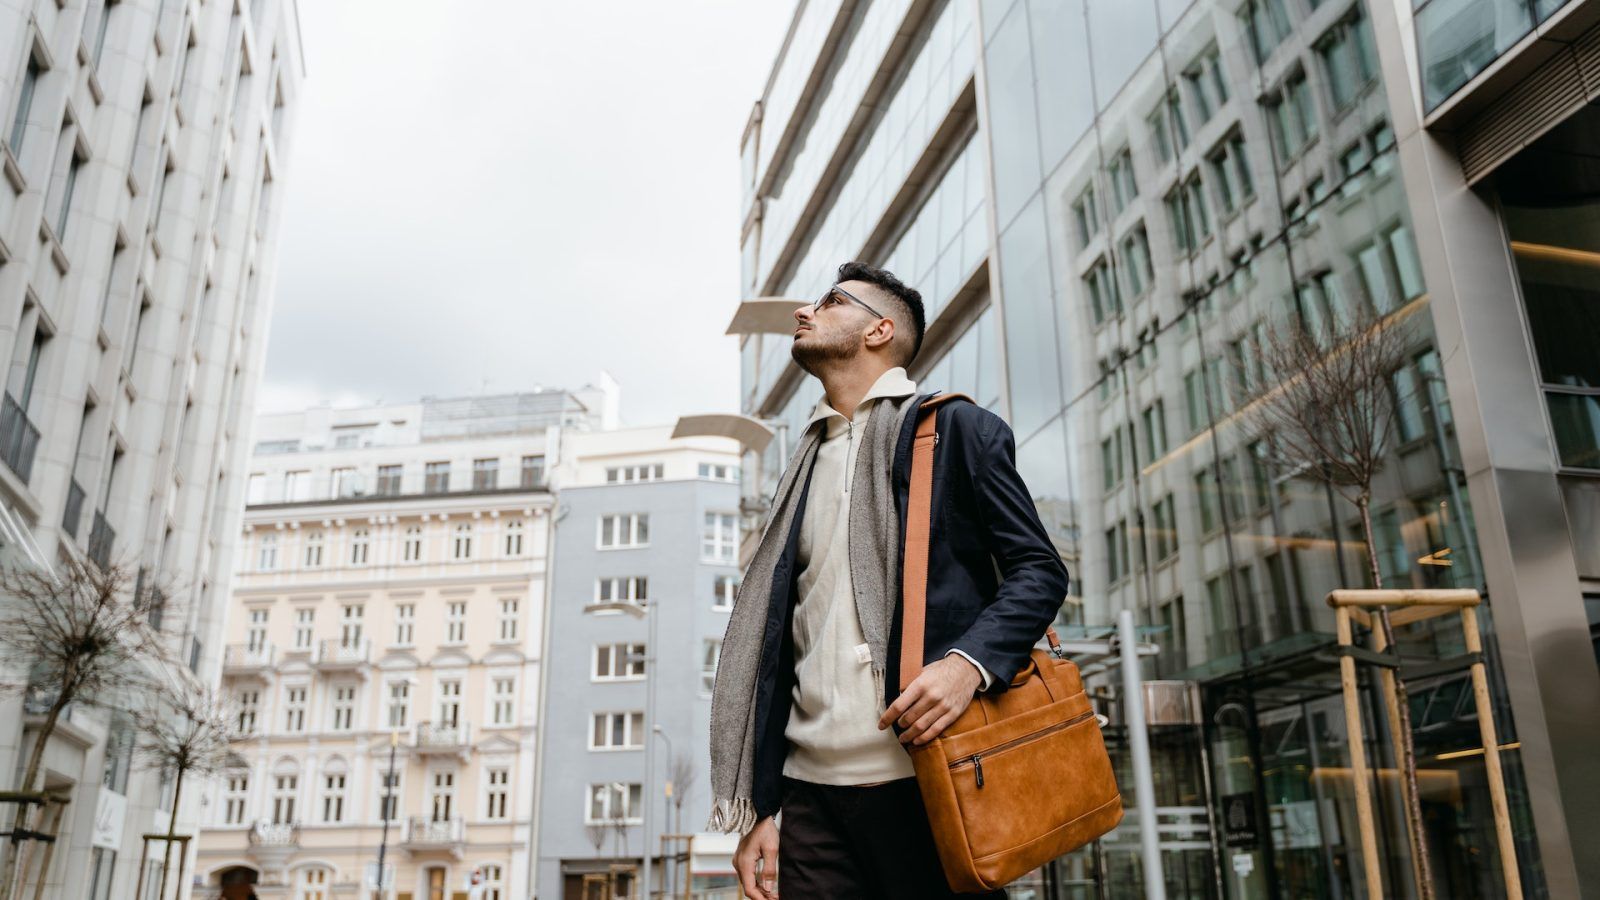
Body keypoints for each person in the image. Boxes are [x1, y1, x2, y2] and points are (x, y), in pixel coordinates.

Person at [707, 261, 1070, 899]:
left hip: (934, 776)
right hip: (811, 796)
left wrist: (967, 664)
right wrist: (764, 808)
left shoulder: (956, 429)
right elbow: (778, 646)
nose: (803, 312)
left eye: (829, 302)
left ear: (879, 332)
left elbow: (1038, 571)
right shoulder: (801, 467)